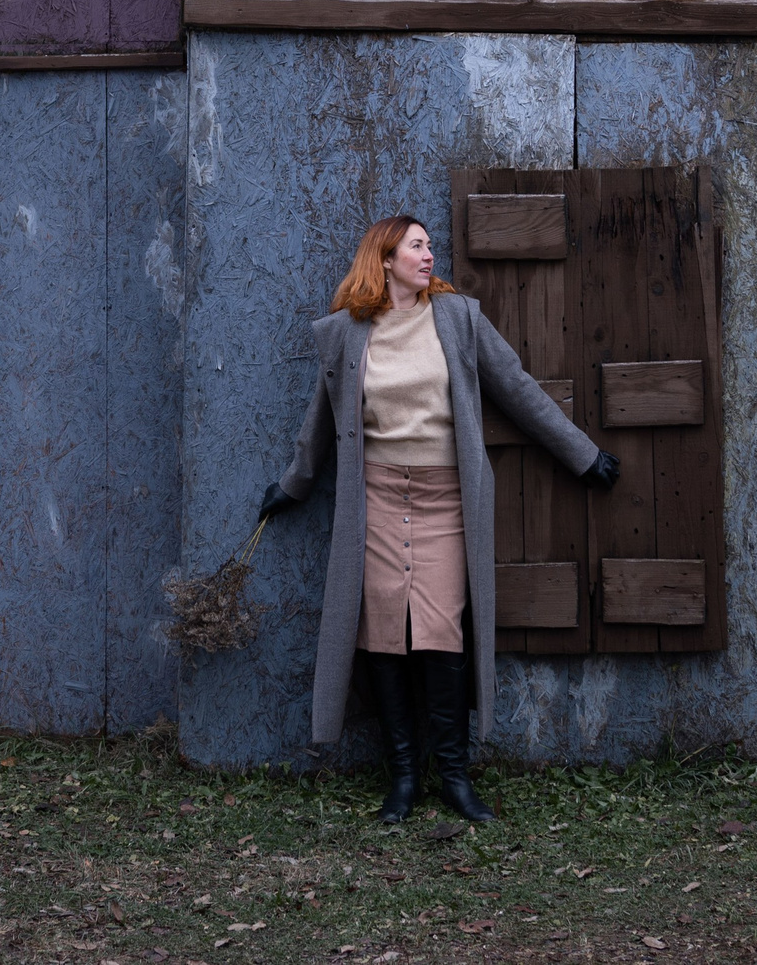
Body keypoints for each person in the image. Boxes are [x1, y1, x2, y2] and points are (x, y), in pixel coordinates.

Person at [262, 215, 616, 823]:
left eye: (430, 247)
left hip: (446, 500)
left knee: (442, 632)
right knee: (382, 635)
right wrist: (294, 485)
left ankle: (454, 778)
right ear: (386, 257)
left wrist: (582, 455)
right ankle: (402, 779)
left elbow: (519, 388)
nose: (430, 256)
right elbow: (320, 423)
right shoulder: (346, 335)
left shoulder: (458, 318)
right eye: (417, 247)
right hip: (373, 502)